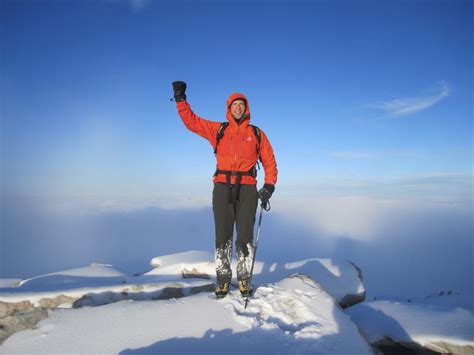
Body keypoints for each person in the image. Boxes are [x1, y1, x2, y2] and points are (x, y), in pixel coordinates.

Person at [172, 81, 278, 298]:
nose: (238, 107)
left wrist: (269, 185)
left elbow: (269, 160)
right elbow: (192, 123)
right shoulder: (218, 130)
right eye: (234, 104)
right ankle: (222, 279)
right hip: (222, 187)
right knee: (223, 235)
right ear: (228, 108)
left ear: (246, 108)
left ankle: (244, 279)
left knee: (245, 235)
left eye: (241, 104)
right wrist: (181, 100)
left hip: (248, 188)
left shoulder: (256, 133)